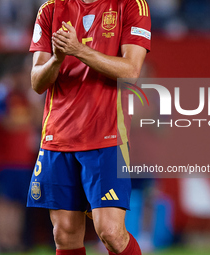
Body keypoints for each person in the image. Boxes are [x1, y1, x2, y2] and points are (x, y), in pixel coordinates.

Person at [27, 0, 151, 254]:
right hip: (57, 138)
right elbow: (37, 82)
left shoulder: (131, 6)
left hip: (106, 138)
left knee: (111, 233)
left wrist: (78, 50)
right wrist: (57, 59)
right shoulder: (50, 9)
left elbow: (131, 71)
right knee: (64, 235)